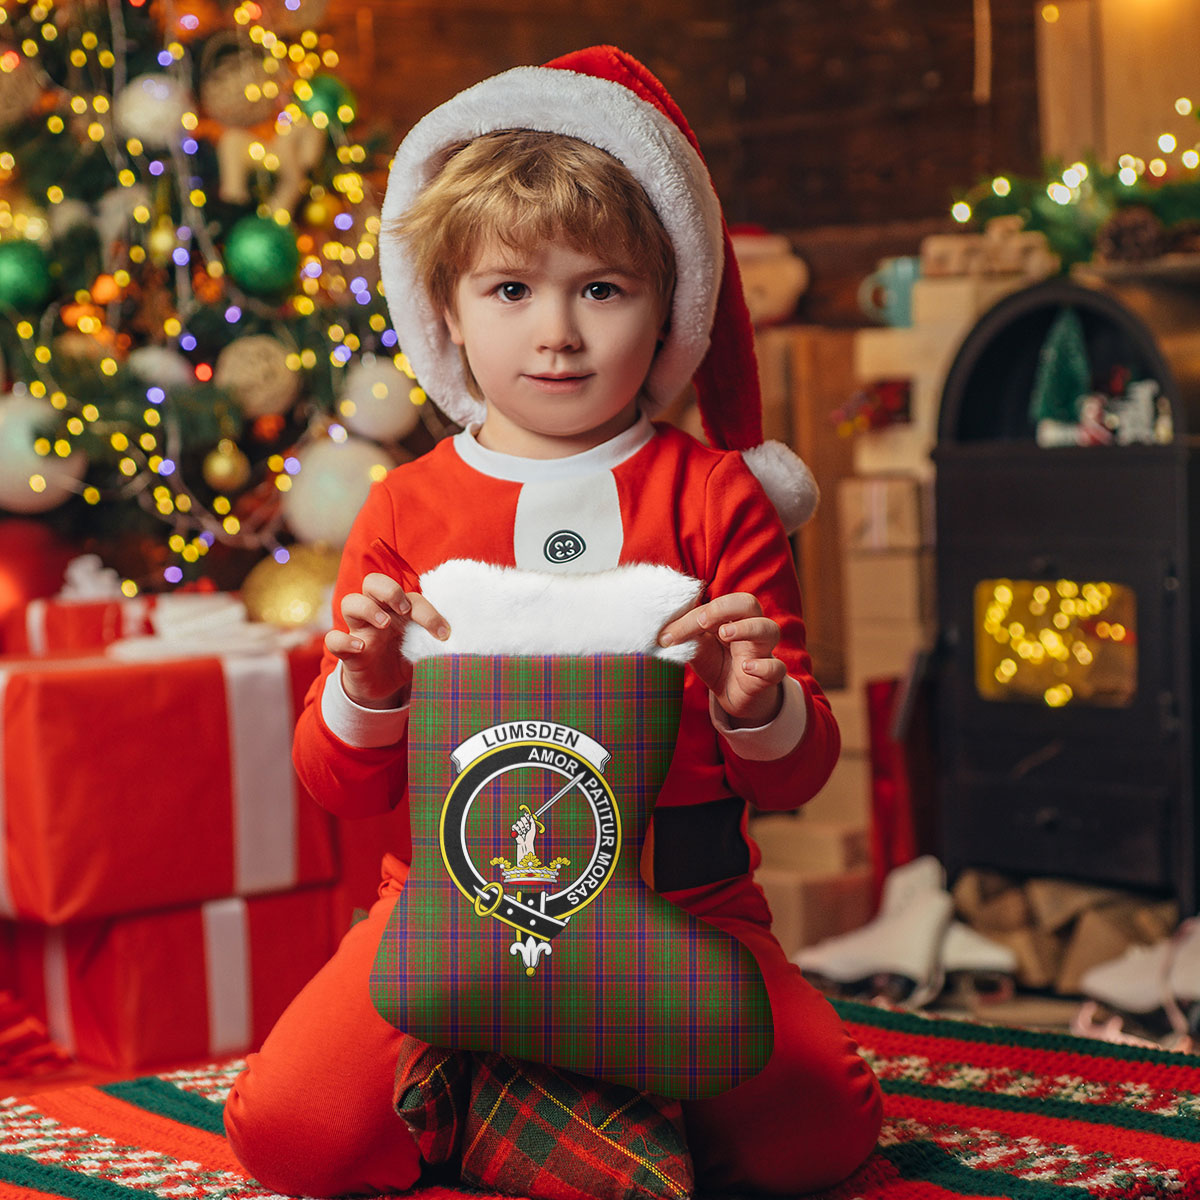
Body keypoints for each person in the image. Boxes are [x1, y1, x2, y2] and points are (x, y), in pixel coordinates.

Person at [224, 45, 882, 1197]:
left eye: (602, 288)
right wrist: (369, 686)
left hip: (686, 903)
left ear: (665, 303)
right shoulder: (407, 503)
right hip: (448, 906)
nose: (558, 334)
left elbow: (796, 780)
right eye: (512, 289)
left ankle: (530, 1086)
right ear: (446, 310)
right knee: (292, 1136)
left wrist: (760, 705)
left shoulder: (716, 496)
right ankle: (542, 1086)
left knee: (817, 1138)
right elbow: (339, 785)